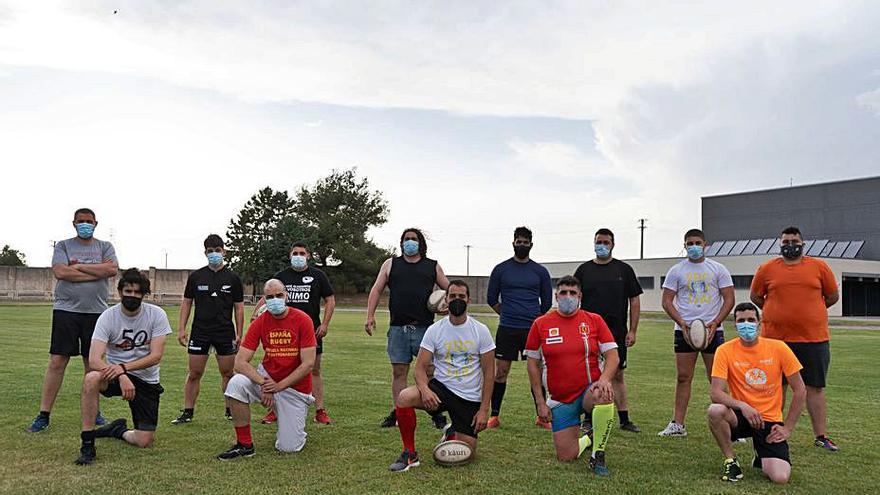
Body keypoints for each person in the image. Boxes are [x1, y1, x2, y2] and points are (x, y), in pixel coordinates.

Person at [389, 280, 495, 472]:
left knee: (466, 454)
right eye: (452, 296)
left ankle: (452, 432)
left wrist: (484, 410)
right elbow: (420, 368)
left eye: (461, 296)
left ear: (468, 300)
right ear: (445, 299)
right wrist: (425, 390)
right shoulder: (435, 330)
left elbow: (489, 373)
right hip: (441, 390)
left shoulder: (481, 330)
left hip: (468, 397)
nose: (457, 300)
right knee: (404, 397)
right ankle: (410, 454)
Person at [750, 226, 840, 451]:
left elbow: (831, 296)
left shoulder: (819, 267)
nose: (790, 245)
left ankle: (821, 436)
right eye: (786, 241)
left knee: (815, 387)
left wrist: (809, 314)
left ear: (803, 243)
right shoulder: (767, 268)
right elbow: (756, 296)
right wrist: (776, 313)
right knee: (776, 387)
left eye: (794, 241)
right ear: (780, 244)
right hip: (775, 341)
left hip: (813, 339)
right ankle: (771, 429)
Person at [28, 207, 118, 433]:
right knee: (57, 362)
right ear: (74, 223)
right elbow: (61, 272)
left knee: (93, 365)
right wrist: (94, 271)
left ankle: (94, 413)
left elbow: (112, 269)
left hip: (97, 313)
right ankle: (43, 415)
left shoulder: (105, 246)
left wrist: (77, 266)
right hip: (66, 311)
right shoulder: (63, 246)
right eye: (81, 221)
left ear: (96, 223)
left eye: (89, 221)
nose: (85, 224)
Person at [75, 268, 172, 465]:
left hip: (146, 379)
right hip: (115, 375)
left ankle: (117, 430)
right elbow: (94, 359)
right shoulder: (108, 317)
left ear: (144, 295)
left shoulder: (157, 315)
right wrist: (120, 374)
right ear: (120, 292)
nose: (132, 296)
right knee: (91, 378)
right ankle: (87, 443)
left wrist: (123, 369)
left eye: (138, 292)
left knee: (144, 441)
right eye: (128, 291)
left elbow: (155, 356)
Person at [525, 276, 620, 476]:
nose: (568, 297)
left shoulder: (594, 320)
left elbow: (613, 355)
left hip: (589, 390)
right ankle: (588, 438)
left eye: (573, 293)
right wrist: (540, 403)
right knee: (566, 456)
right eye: (564, 293)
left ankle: (598, 455)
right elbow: (533, 365)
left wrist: (604, 379)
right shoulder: (540, 324)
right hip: (560, 398)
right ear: (556, 296)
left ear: (580, 296)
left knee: (603, 394)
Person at [217, 279, 316, 460]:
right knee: (236, 383)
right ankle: (244, 445)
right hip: (267, 378)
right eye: (270, 297)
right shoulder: (261, 322)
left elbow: (308, 364)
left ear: (286, 296)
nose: (275, 300)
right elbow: (239, 362)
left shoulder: (303, 319)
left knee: (289, 448)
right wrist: (264, 383)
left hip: (294, 388)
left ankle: (287, 418)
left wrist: (278, 387)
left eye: (279, 295)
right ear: (264, 299)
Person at [708, 302, 806, 484]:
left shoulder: (779, 348)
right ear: (735, 324)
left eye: (751, 320)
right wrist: (743, 406)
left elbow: (800, 389)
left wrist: (788, 428)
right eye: (741, 320)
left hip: (769, 420)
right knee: (715, 410)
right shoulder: (724, 350)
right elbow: (715, 392)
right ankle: (731, 461)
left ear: (760, 323)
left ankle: (760, 455)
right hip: (740, 417)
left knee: (780, 478)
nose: (747, 324)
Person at [365, 228, 450, 429]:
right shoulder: (391, 264)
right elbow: (376, 289)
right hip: (398, 328)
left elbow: (450, 288)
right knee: (399, 372)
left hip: (425, 329)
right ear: (401, 242)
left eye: (413, 239)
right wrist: (370, 315)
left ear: (420, 243)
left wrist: (446, 305)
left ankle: (435, 412)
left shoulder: (432, 266)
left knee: (430, 372)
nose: (409, 242)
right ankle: (399, 412)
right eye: (406, 239)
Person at [658, 228, 735, 437]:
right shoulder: (676, 270)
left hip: (712, 331)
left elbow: (729, 299)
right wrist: (682, 322)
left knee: (716, 379)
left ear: (705, 244)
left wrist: (715, 322)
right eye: (689, 243)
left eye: (697, 243)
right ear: (685, 245)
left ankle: (732, 425)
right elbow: (666, 301)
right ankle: (677, 424)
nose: (693, 247)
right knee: (683, 377)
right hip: (685, 331)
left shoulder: (718, 269)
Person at [256, 242, 336, 425]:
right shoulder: (281, 277)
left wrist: (324, 324)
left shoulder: (318, 275)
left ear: (308, 255)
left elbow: (330, 300)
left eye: (302, 253)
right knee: (279, 370)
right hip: (284, 332)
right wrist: (256, 314)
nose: (298, 256)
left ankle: (320, 410)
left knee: (314, 369)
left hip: (311, 332)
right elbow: (266, 296)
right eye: (295, 253)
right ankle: (275, 410)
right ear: (289, 255)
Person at [573, 228, 643, 433]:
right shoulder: (584, 270)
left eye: (605, 242)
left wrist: (633, 330)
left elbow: (635, 300)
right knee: (589, 374)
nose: (601, 245)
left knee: (618, 374)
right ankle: (587, 417)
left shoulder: (624, 270)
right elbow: (574, 298)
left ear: (613, 244)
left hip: (616, 332)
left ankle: (625, 419)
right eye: (598, 242)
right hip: (588, 332)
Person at [172, 234, 244, 425]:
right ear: (205, 253)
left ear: (224, 251)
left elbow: (239, 306)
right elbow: (187, 303)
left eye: (217, 250)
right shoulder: (196, 277)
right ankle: (188, 411)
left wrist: (239, 332)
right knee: (194, 373)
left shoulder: (233, 278)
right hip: (200, 332)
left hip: (224, 332)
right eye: (210, 251)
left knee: (228, 373)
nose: (214, 254)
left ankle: (230, 409)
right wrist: (181, 329)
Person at [485, 226, 552, 429]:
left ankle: (542, 416)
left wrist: (533, 318)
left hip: (532, 330)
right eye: (518, 241)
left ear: (531, 244)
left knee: (537, 371)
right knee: (501, 372)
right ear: (513, 242)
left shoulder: (540, 271)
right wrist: (507, 313)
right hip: (507, 328)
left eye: (525, 242)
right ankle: (494, 416)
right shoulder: (501, 269)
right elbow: (491, 298)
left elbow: (547, 302)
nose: (522, 245)